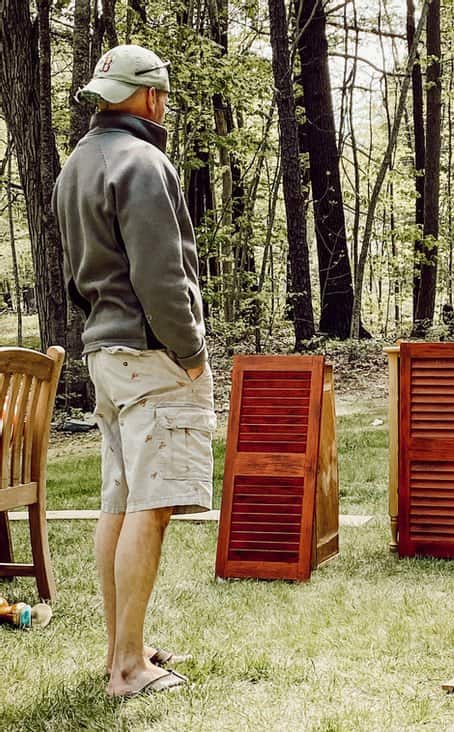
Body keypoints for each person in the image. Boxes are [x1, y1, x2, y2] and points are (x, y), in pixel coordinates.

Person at [52, 44, 216, 698]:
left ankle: (121, 651)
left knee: (118, 504)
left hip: (105, 352)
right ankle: (129, 669)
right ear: (151, 97)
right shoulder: (142, 162)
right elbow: (162, 278)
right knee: (150, 507)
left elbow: (73, 279)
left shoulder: (75, 166)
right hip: (152, 355)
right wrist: (194, 354)